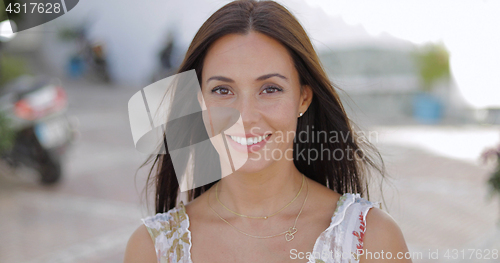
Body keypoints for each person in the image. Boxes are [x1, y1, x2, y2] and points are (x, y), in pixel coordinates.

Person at [124, 0, 411, 262]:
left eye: (270, 89)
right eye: (222, 90)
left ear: (303, 97)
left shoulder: (370, 240)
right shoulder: (152, 249)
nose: (245, 117)